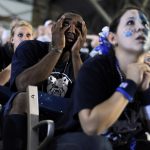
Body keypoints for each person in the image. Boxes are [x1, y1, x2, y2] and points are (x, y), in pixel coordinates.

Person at [2, 12, 112, 150]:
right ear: (54, 27)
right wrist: (57, 49)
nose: (72, 30)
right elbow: (23, 85)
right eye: (66, 24)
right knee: (23, 98)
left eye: (78, 27)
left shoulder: (85, 60)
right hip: (31, 113)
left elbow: (88, 96)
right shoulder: (30, 48)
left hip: (65, 119)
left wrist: (75, 55)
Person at [73, 6, 150, 150]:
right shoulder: (95, 67)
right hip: (79, 142)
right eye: (131, 23)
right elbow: (90, 127)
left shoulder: (147, 74)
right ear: (113, 38)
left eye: (145, 24)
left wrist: (146, 93)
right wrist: (130, 84)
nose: (141, 28)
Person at [0, 20, 34, 104]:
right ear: (12, 39)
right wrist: (18, 58)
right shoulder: (2, 54)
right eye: (20, 35)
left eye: (28, 35)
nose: (24, 38)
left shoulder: (37, 59)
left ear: (32, 39)